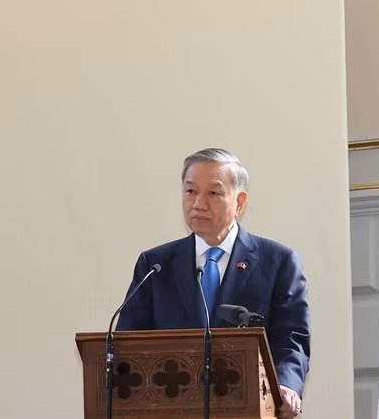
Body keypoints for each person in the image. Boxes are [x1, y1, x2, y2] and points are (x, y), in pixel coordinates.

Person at [115, 148, 310, 419]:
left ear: (240, 202)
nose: (198, 203)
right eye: (191, 191)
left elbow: (292, 338)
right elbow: (129, 344)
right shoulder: (155, 265)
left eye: (213, 193)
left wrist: (285, 386)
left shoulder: (278, 261)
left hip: (247, 408)